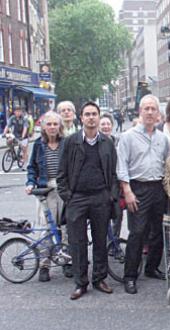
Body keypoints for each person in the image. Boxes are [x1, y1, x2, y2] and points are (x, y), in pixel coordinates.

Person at [57, 101, 119, 300]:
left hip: (100, 197)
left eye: (94, 114)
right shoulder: (70, 142)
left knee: (101, 240)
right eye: (87, 114)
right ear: (81, 118)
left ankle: (100, 278)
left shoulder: (107, 143)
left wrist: (110, 196)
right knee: (77, 242)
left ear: (99, 117)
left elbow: (112, 173)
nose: (91, 117)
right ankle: (80, 282)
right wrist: (69, 196)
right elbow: (61, 173)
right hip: (77, 198)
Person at [117, 95, 170, 294]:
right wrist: (127, 191)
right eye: (146, 108)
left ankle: (152, 268)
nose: (149, 112)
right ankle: (130, 276)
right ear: (140, 111)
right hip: (137, 188)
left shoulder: (163, 138)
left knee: (158, 232)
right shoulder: (128, 136)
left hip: (158, 188)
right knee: (137, 233)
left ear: (158, 114)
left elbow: (167, 164)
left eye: (153, 109)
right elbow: (121, 166)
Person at [26, 112, 72, 282]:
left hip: (64, 189)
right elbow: (32, 167)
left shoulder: (66, 143)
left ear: (60, 126)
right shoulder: (39, 144)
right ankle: (44, 265)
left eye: (55, 124)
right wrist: (30, 183)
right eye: (49, 124)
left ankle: (67, 261)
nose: (52, 127)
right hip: (46, 190)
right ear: (44, 127)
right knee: (47, 230)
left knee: (66, 228)